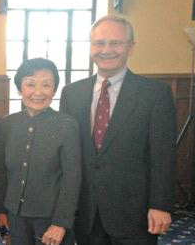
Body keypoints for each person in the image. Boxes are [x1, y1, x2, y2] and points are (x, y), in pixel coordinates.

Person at [59, 15, 176, 245]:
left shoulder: (155, 94)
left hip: (135, 215)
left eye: (115, 43)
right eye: (99, 43)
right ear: (91, 47)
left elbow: (163, 157)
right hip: (86, 213)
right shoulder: (71, 94)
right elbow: (67, 156)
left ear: (130, 47)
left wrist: (160, 205)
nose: (106, 50)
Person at [0, 58, 81, 245]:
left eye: (46, 85)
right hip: (14, 216)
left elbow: (72, 178)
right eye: (30, 84)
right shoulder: (8, 124)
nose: (38, 92)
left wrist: (61, 223)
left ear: (55, 89)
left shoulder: (67, 125)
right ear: (19, 89)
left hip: (51, 219)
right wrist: (1, 214)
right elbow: (2, 173)